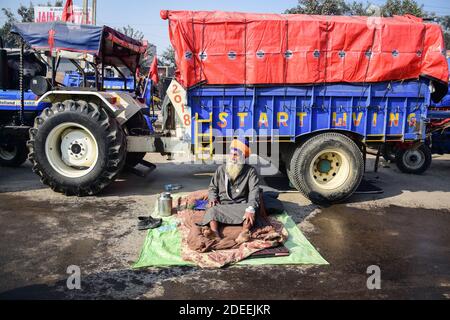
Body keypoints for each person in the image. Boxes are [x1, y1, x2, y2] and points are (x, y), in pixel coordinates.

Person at [197, 137, 260, 244]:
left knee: (251, 211)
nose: (232, 157)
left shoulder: (250, 171)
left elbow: (254, 191)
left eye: (236, 155)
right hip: (223, 205)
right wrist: (212, 198)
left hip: (241, 205)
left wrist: (250, 208)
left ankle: (244, 232)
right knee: (211, 209)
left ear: (243, 156)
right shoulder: (221, 169)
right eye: (231, 154)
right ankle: (214, 234)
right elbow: (212, 187)